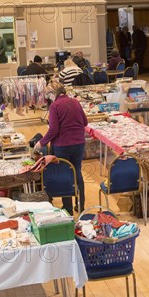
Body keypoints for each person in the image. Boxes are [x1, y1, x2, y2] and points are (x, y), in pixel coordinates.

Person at [34, 80, 88, 214]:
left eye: (48, 95)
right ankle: (81, 206)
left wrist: (41, 142)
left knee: (65, 174)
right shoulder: (75, 102)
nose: (48, 98)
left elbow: (54, 130)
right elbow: (85, 122)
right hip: (79, 143)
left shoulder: (55, 106)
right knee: (77, 172)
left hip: (63, 145)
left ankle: (68, 208)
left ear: (53, 93)